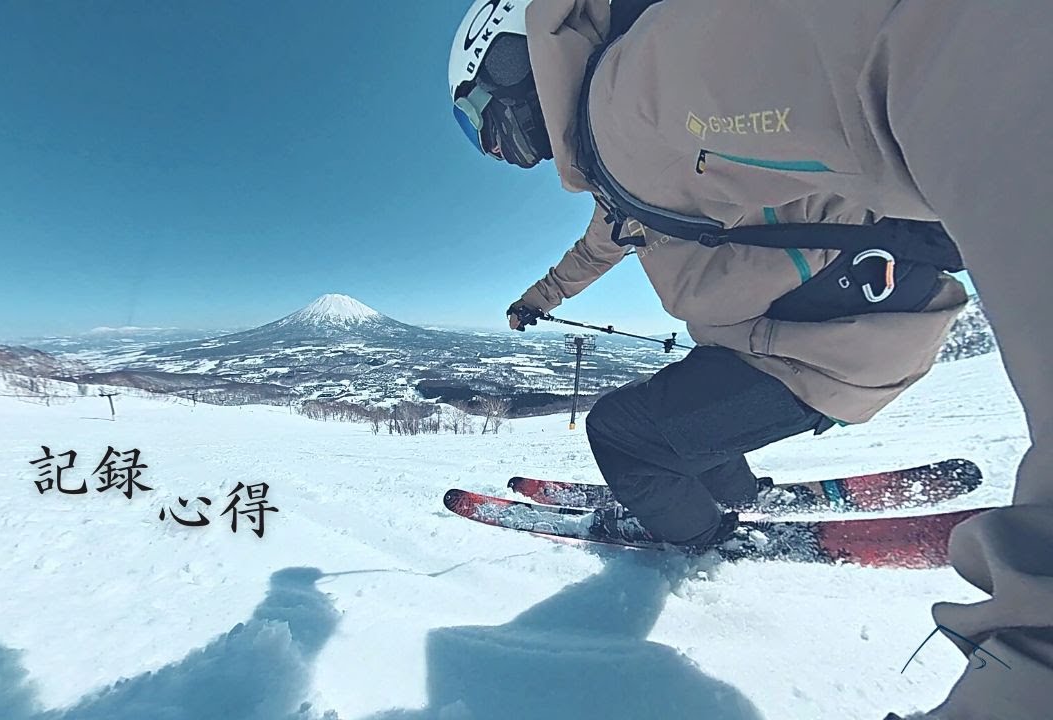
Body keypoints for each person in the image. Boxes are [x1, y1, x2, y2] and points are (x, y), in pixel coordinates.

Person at [446, 1, 1053, 718]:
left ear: (511, 61)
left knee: (621, 433)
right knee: (676, 407)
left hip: (828, 337)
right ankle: (732, 491)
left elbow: (912, 49)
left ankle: (703, 532)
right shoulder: (621, 155)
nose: (498, 150)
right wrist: (536, 300)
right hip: (817, 330)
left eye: (481, 118)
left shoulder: (644, 85)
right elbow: (594, 251)